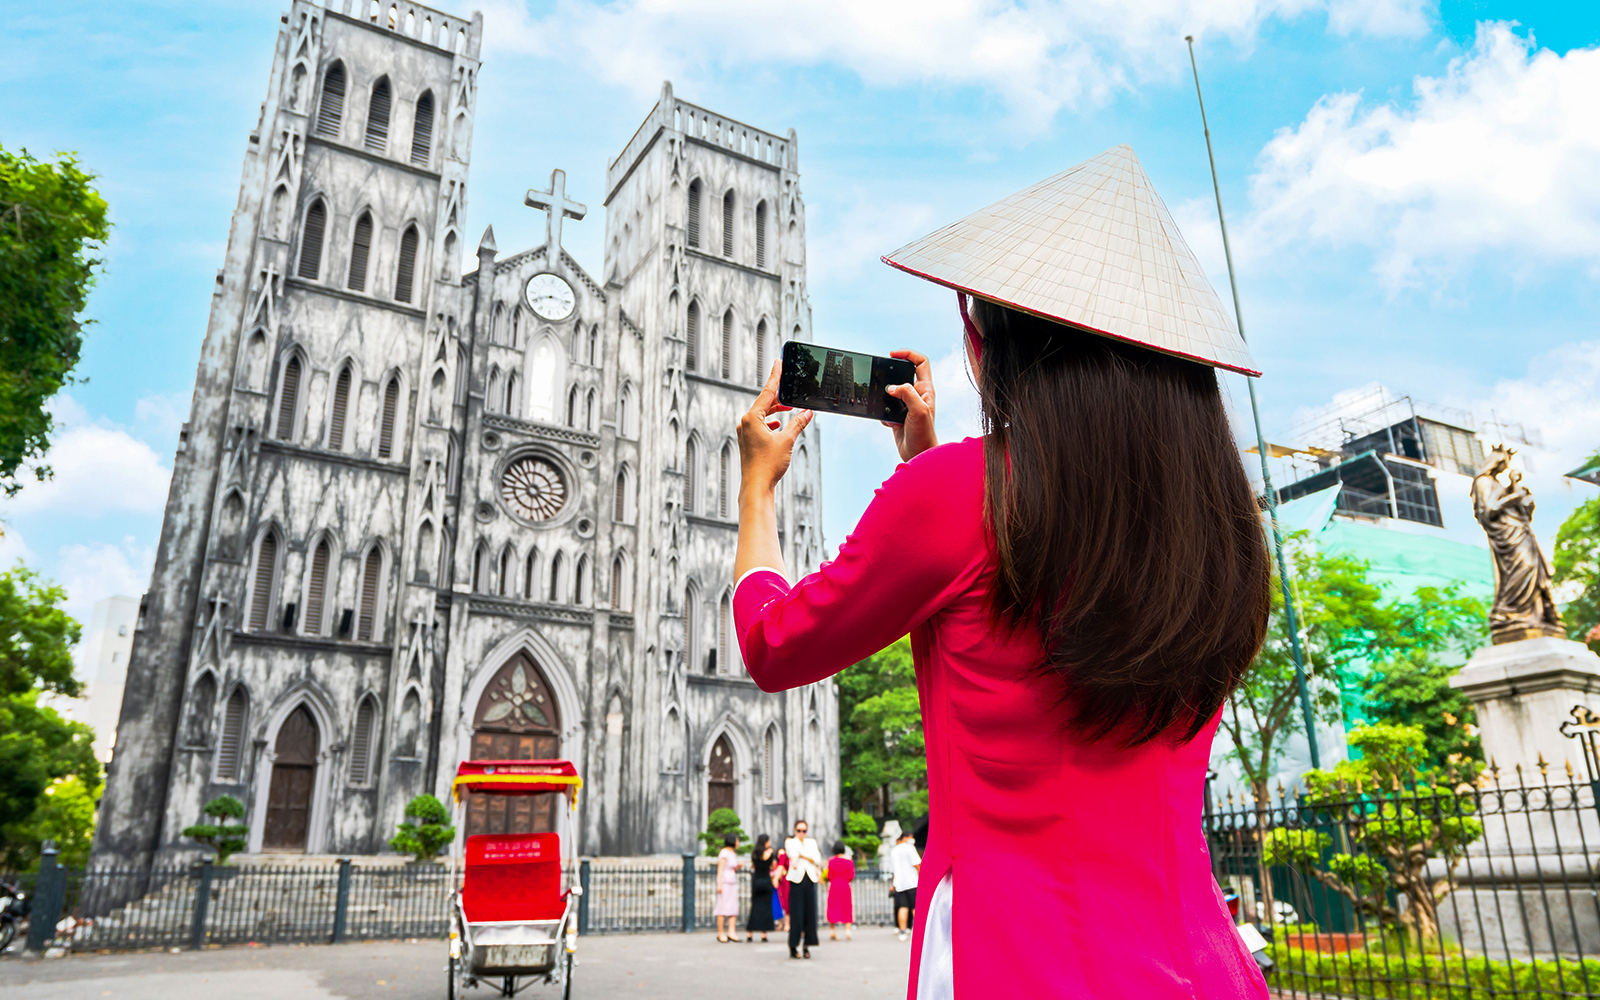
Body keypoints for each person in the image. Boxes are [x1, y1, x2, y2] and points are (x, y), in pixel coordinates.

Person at [731, 148, 1273, 997]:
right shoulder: (1222, 533)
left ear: (990, 349)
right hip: (1204, 962)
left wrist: (756, 488)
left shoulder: (956, 498)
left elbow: (774, 644)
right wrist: (928, 470)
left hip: (1015, 959)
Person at [782, 819, 823, 958]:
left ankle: (807, 945)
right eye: (799, 830)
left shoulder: (811, 842)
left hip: (810, 878)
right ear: (795, 831)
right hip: (796, 880)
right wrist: (805, 857)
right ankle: (793, 946)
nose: (801, 833)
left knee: (809, 914)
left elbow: (817, 859)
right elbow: (793, 856)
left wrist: (802, 855)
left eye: (804, 831)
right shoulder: (790, 842)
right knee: (797, 914)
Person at [889, 831, 920, 941]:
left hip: (899, 883)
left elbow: (893, 870)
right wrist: (921, 875)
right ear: (906, 837)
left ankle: (902, 931)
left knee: (903, 907)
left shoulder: (894, 850)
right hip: (912, 882)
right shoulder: (909, 848)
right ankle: (919, 930)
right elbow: (916, 863)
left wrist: (893, 884)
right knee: (915, 907)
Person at [746, 834, 778, 942]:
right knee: (766, 907)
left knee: (755, 907)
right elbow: (773, 866)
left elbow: (753, 866)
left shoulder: (754, 853)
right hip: (766, 879)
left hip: (756, 880)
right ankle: (763, 934)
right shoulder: (769, 852)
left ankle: (749, 933)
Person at [824, 841, 855, 941]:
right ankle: (848, 931)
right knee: (847, 907)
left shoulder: (831, 861)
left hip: (834, 886)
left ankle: (832, 931)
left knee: (833, 907)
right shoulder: (849, 860)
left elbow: (829, 875)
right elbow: (851, 875)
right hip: (845, 885)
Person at [714, 832, 741, 943]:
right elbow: (720, 869)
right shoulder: (724, 853)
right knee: (722, 908)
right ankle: (720, 933)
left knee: (733, 907)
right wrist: (719, 883)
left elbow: (731, 868)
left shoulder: (733, 853)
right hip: (725, 882)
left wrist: (736, 867)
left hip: (732, 882)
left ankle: (731, 931)